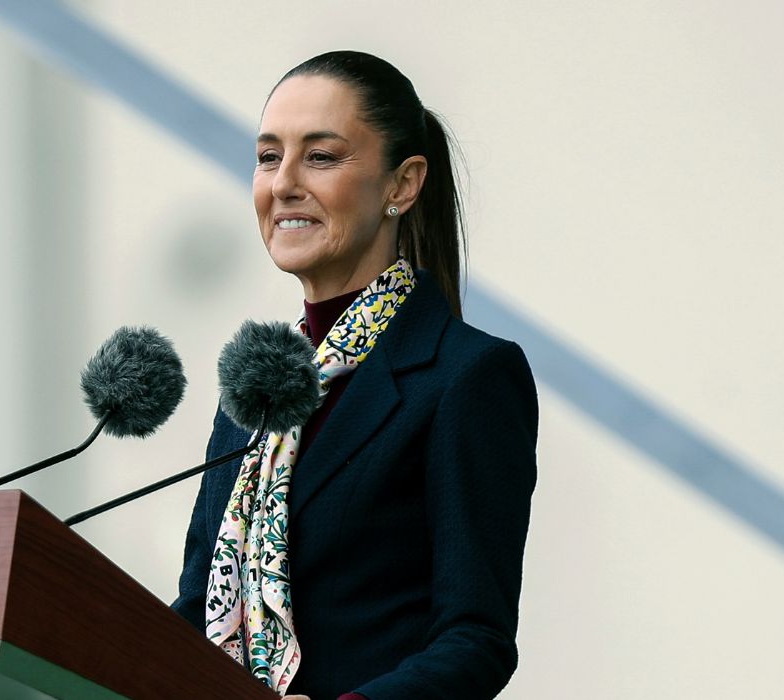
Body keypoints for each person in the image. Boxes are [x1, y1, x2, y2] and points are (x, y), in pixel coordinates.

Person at [171, 51, 539, 700]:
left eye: (320, 156)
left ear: (402, 185)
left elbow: (475, 639)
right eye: (267, 156)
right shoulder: (256, 390)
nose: (283, 183)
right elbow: (192, 614)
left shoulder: (467, 377)